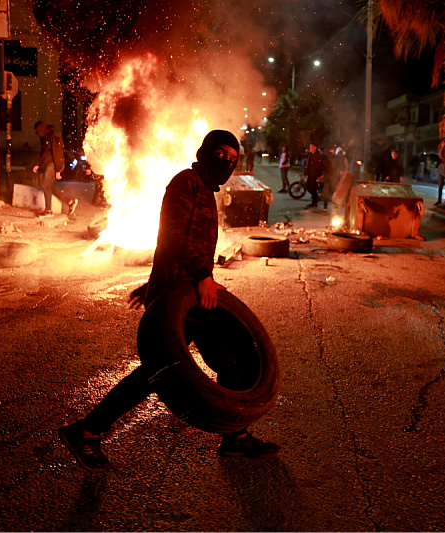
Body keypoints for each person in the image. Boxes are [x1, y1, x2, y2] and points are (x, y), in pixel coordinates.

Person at [57, 130, 280, 471]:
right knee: (158, 373)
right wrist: (200, 277)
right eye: (221, 154)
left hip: (186, 292)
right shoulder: (186, 183)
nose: (227, 163)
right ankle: (86, 431)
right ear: (204, 152)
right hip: (183, 296)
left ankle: (235, 437)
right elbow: (173, 234)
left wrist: (156, 282)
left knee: (223, 362)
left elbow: (175, 242)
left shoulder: (204, 189)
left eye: (233, 160)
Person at [32, 121, 77, 218]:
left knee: (45, 185)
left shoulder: (54, 137)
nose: (37, 133)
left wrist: (57, 170)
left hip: (54, 164)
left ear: (42, 129)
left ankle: (48, 211)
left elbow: (58, 154)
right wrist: (38, 164)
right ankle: (70, 201)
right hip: (50, 164)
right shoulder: (45, 138)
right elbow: (44, 153)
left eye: (37, 131)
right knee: (50, 187)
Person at [302, 143, 325, 208]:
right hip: (310, 174)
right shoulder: (311, 155)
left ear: (315, 147)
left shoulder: (318, 155)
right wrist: (305, 173)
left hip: (315, 174)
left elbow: (320, 166)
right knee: (308, 186)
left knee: (313, 187)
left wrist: (320, 175)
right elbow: (308, 166)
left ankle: (314, 202)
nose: (310, 148)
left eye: (311, 147)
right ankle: (315, 197)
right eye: (310, 147)